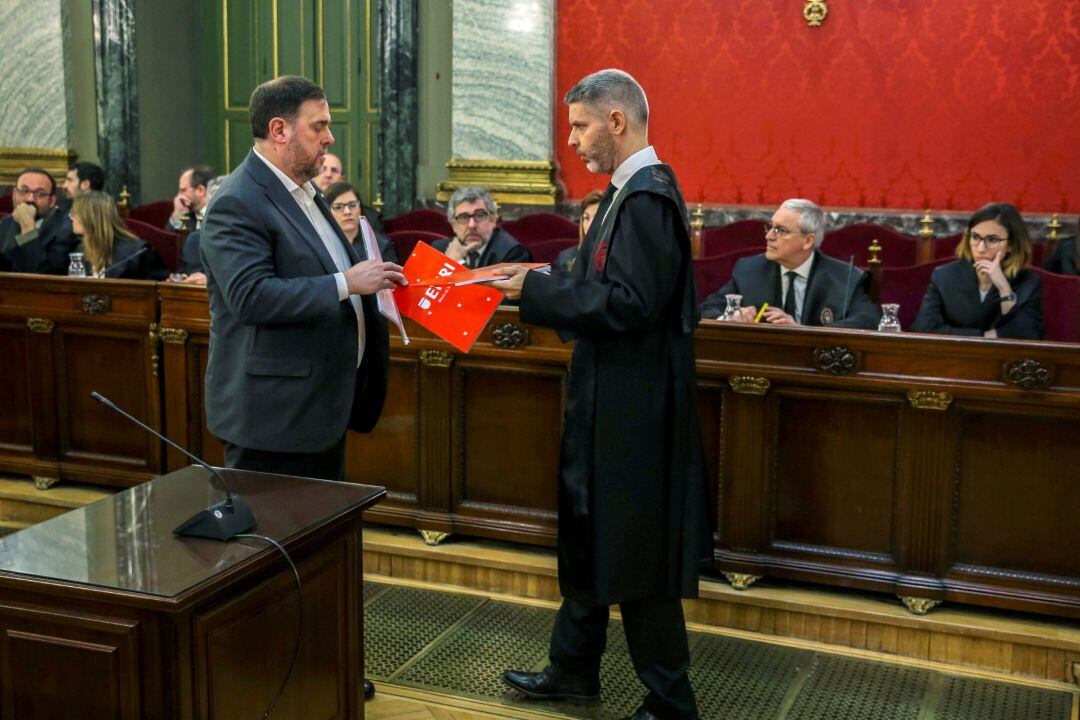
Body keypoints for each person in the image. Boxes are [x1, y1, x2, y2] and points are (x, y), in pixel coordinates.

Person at [490, 69, 709, 720]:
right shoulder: (625, 192)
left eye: (581, 126)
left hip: (633, 415)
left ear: (617, 121)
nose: (573, 141)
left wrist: (533, 291)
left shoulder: (646, 196)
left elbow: (633, 305)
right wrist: (542, 280)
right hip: (608, 402)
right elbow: (600, 286)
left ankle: (671, 703)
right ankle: (572, 669)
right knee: (590, 534)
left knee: (637, 559)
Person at [199, 77, 404, 703]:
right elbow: (252, 296)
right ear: (279, 129)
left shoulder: (305, 192)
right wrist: (349, 284)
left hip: (319, 407)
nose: (330, 135)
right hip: (272, 415)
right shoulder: (238, 200)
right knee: (266, 559)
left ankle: (321, 663)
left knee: (319, 552)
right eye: (319, 124)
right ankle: (264, 676)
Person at [698, 199, 880, 328]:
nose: (768, 236)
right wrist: (731, 317)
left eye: (781, 230)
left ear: (808, 241)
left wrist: (802, 331)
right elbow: (707, 309)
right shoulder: (749, 270)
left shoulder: (844, 277)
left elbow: (868, 320)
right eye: (770, 227)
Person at [913, 202, 1044, 339]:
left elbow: (1030, 336)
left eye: (992, 239)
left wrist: (1004, 288)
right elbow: (924, 329)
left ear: (1011, 244)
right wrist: (985, 336)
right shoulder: (944, 276)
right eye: (975, 237)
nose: (981, 248)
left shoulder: (1029, 282)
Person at [69, 191, 169, 280]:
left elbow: (159, 291)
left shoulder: (137, 253)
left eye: (74, 214)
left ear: (90, 218)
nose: (71, 218)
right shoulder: (81, 249)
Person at [0, 168, 78, 275]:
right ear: (14, 194)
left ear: (52, 201)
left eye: (40, 194)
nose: (30, 199)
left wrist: (27, 226)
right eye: (24, 191)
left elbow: (38, 275)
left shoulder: (66, 230)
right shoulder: (6, 223)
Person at [432, 186, 532, 268]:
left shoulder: (512, 254)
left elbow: (486, 293)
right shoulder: (437, 250)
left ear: (493, 220)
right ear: (453, 225)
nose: (472, 225)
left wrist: (456, 264)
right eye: (464, 217)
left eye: (479, 215)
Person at [324, 181, 397, 263]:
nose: (347, 212)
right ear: (327, 212)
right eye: (338, 207)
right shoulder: (322, 247)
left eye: (353, 205)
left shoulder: (381, 246)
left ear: (360, 209)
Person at [175, 175, 227, 286]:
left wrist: (211, 281)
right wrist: (181, 279)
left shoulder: (254, 238)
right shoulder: (195, 240)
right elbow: (185, 273)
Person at [556, 189, 604, 272]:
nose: (591, 224)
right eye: (586, 218)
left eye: (597, 217)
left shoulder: (617, 258)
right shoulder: (565, 258)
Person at [167, 164, 215, 231]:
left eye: (183, 190)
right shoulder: (187, 215)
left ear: (200, 190)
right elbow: (168, 240)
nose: (179, 196)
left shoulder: (218, 214)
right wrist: (177, 214)